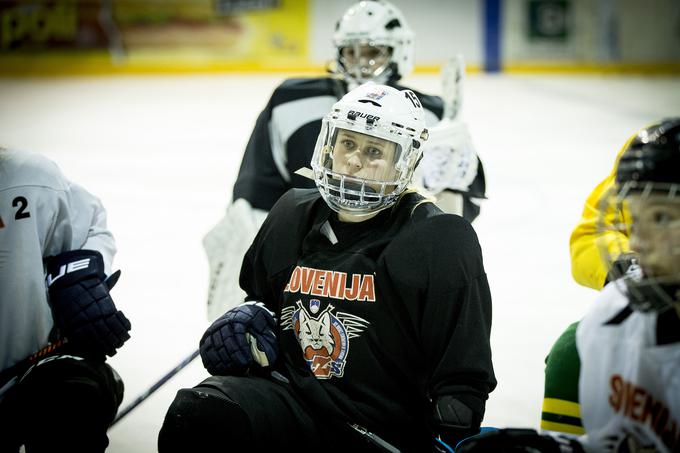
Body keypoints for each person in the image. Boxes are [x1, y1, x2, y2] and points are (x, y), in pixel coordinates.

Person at [159, 82, 496, 452]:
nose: (353, 160)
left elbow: (462, 374)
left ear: (406, 162)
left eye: (374, 151)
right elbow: (262, 301)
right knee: (200, 414)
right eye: (347, 143)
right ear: (329, 144)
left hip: (380, 429)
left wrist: (450, 429)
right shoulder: (291, 212)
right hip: (293, 402)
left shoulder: (438, 237)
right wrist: (246, 322)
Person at [203, 0, 486, 321]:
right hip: (306, 260)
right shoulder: (291, 99)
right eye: (351, 52)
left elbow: (452, 213)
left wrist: (455, 172)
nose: (360, 63)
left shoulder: (428, 114)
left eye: (372, 53)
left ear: (399, 53)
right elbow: (260, 187)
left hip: (387, 265)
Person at [461, 119, 680, 452]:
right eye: (633, 220)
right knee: (569, 351)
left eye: (662, 218)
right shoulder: (611, 318)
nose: (635, 241)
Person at [0, 148, 132, 452]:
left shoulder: (29, 177)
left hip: (30, 376)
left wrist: (78, 277)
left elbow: (91, 227)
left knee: (78, 389)